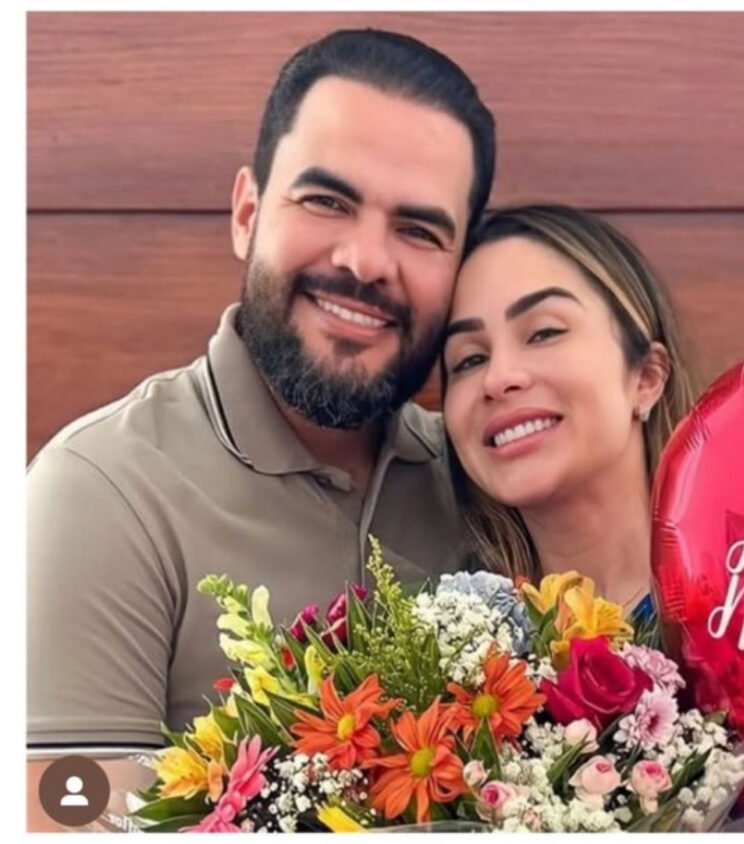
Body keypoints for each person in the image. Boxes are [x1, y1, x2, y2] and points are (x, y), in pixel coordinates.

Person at [27, 28, 495, 753]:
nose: (366, 261)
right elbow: (60, 802)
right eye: (327, 202)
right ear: (247, 215)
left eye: (418, 230)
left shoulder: (482, 481)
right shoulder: (102, 489)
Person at [441, 205, 697, 614]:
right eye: (469, 359)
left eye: (544, 333)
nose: (497, 378)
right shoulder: (444, 639)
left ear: (647, 378)